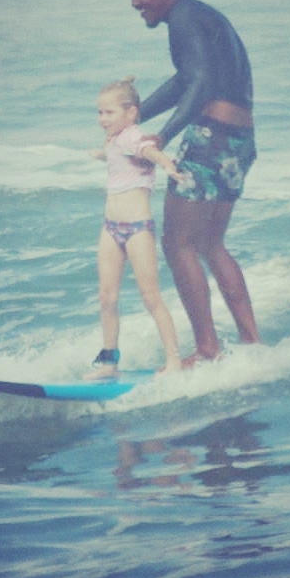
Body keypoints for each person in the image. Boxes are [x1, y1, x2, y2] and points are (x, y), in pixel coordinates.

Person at [127, 0, 260, 366]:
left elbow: (198, 83)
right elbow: (188, 79)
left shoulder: (183, 19)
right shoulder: (200, 16)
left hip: (210, 138)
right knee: (209, 243)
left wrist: (163, 136)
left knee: (178, 243)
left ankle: (207, 348)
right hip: (238, 140)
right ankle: (252, 342)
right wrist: (135, 115)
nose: (135, 3)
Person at [86, 76, 184, 379]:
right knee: (107, 297)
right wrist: (103, 154)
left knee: (151, 297)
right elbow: (122, 157)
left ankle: (174, 362)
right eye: (100, 113)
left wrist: (166, 164)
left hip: (137, 229)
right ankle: (109, 362)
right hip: (111, 228)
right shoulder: (116, 140)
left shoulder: (131, 136)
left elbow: (146, 150)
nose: (103, 119)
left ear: (130, 113)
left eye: (109, 113)